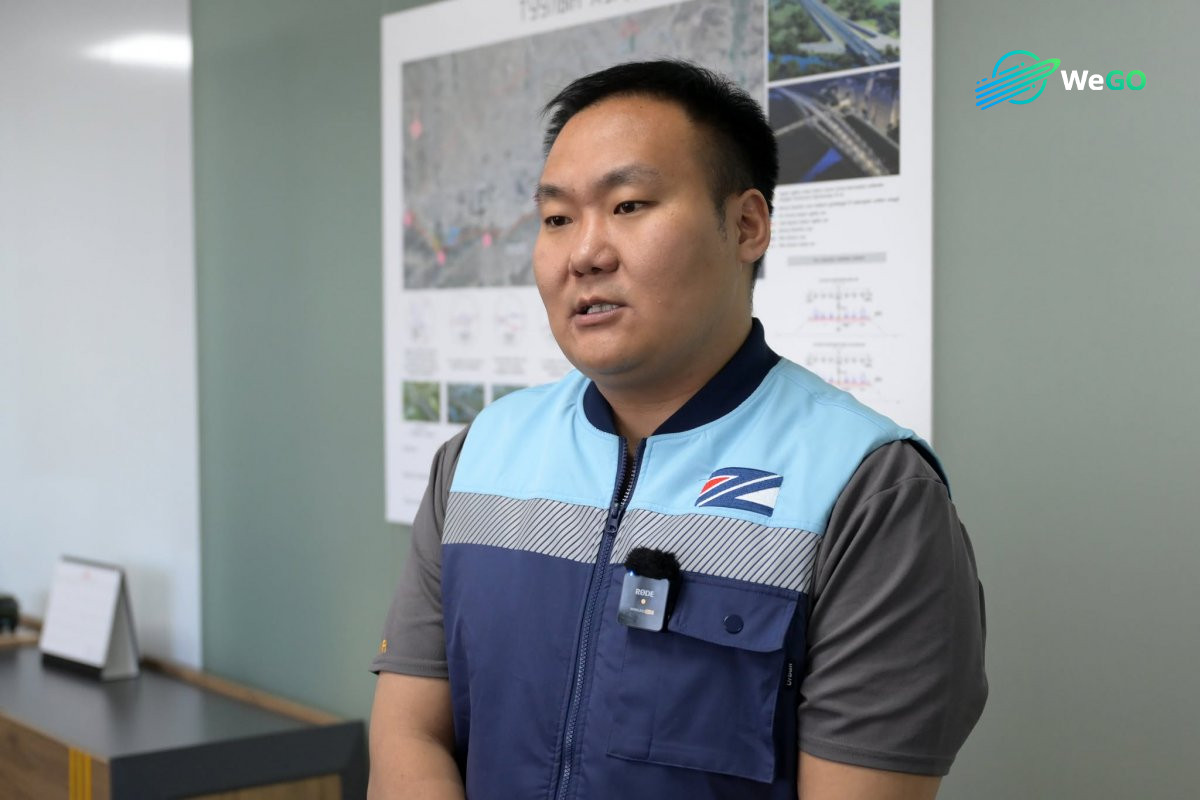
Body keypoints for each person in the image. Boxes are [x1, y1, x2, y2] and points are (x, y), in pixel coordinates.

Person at [368, 60, 986, 800]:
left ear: (747, 226)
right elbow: (409, 735)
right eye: (558, 218)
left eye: (628, 205)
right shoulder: (478, 458)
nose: (585, 253)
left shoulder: (869, 491)